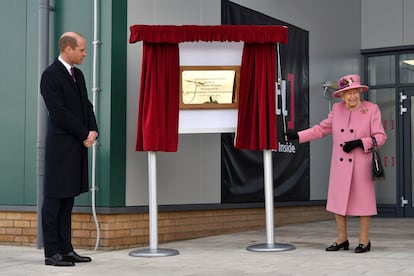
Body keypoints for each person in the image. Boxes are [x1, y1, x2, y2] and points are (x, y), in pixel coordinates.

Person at [287, 74, 386, 253]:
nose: (352, 96)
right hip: (340, 165)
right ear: (341, 95)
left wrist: (359, 143)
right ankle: (342, 239)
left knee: (364, 204)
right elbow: (321, 129)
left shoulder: (371, 109)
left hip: (361, 165)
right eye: (348, 93)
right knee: (338, 203)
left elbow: (380, 136)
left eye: (355, 92)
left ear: (360, 92)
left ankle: (364, 241)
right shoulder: (337, 109)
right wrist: (298, 135)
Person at [40, 32, 98, 266]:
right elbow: (59, 112)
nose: (85, 53)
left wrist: (93, 129)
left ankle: (66, 249)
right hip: (61, 148)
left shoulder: (78, 75)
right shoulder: (50, 75)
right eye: (82, 50)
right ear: (68, 49)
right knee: (54, 201)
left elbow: (86, 104)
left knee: (67, 202)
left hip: (76, 145)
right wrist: (83, 133)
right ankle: (51, 253)